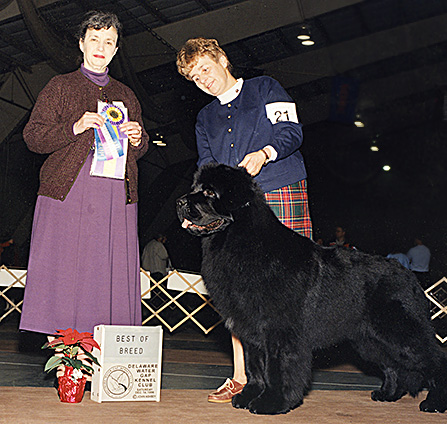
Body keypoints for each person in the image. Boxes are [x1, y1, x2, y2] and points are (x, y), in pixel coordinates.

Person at [176, 37, 313, 403]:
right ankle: (242, 377)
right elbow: (204, 170)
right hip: (233, 212)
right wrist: (197, 213)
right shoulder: (205, 118)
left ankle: (285, 379)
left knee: (291, 291)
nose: (203, 79)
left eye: (205, 68)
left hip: (280, 190)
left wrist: (266, 153)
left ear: (222, 59)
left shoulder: (266, 87)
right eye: (194, 77)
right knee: (237, 294)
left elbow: (292, 133)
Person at [19, 11, 148, 341]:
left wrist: (138, 139)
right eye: (94, 39)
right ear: (81, 43)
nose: (101, 47)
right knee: (65, 276)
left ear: (117, 49)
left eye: (109, 41)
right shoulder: (59, 86)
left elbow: (141, 147)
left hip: (117, 199)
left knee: (108, 277)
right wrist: (74, 128)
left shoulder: (127, 94)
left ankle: (107, 352)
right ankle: (67, 359)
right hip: (68, 194)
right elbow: (33, 136)